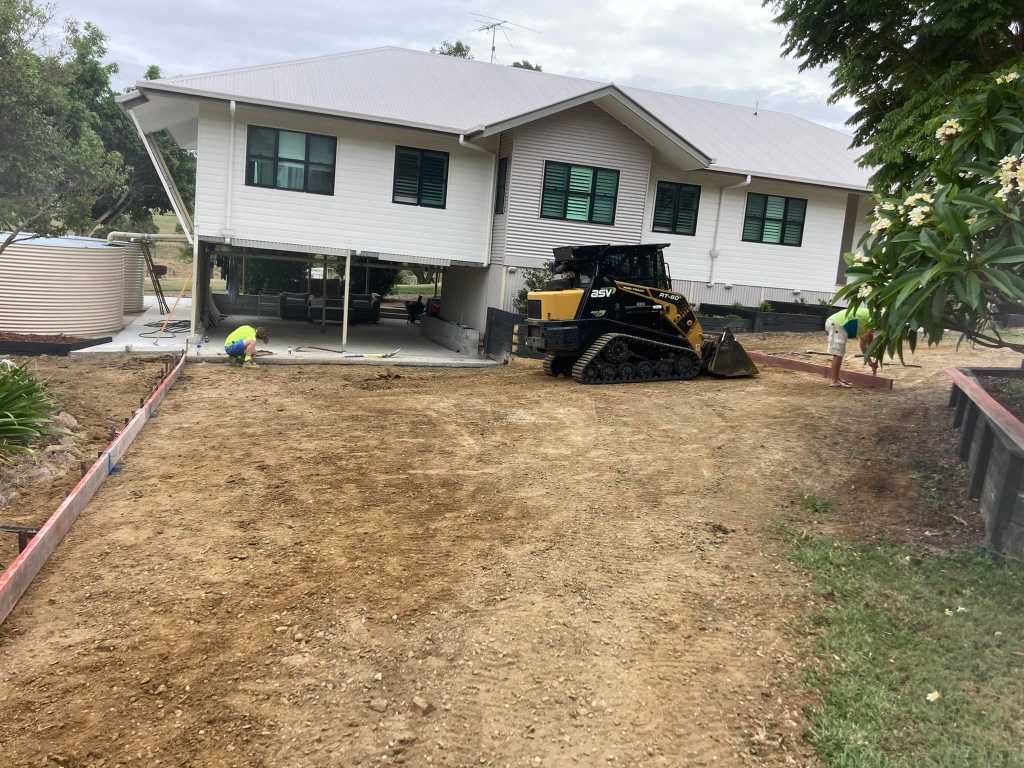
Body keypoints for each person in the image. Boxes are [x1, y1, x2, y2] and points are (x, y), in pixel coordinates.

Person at [825, 306, 877, 387]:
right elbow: (868, 340)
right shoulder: (876, 316)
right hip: (837, 323)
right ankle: (834, 381)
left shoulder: (868, 322)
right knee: (838, 353)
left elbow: (863, 345)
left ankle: (837, 379)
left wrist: (870, 362)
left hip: (838, 324)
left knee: (839, 353)